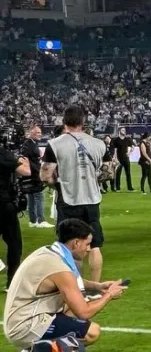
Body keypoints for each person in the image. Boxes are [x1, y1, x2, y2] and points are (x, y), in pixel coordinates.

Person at [3, 218, 125, 352]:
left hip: (20, 317)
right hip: (25, 326)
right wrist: (109, 295)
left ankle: (35, 351)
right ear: (76, 243)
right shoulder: (59, 267)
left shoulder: (49, 252)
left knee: (72, 306)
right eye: (87, 244)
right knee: (92, 332)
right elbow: (84, 313)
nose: (89, 249)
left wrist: (97, 286)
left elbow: (65, 280)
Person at [40, 105, 106, 283]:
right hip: (92, 199)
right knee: (95, 245)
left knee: (68, 247)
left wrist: (58, 187)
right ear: (83, 121)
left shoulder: (55, 144)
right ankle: (95, 286)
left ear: (64, 121)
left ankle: (74, 286)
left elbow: (46, 175)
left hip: (68, 199)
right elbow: (109, 172)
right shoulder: (98, 143)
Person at [0, 134, 29, 289]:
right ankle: (12, 281)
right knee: (14, 243)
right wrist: (26, 161)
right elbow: (25, 172)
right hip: (3, 204)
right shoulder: (3, 153)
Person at [20, 123, 50, 228]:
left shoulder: (30, 144)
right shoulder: (29, 144)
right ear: (31, 133)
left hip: (31, 175)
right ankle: (41, 220)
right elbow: (27, 161)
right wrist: (38, 170)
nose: (40, 134)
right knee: (38, 197)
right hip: (34, 175)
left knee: (32, 198)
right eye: (37, 132)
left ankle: (33, 221)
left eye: (40, 132)